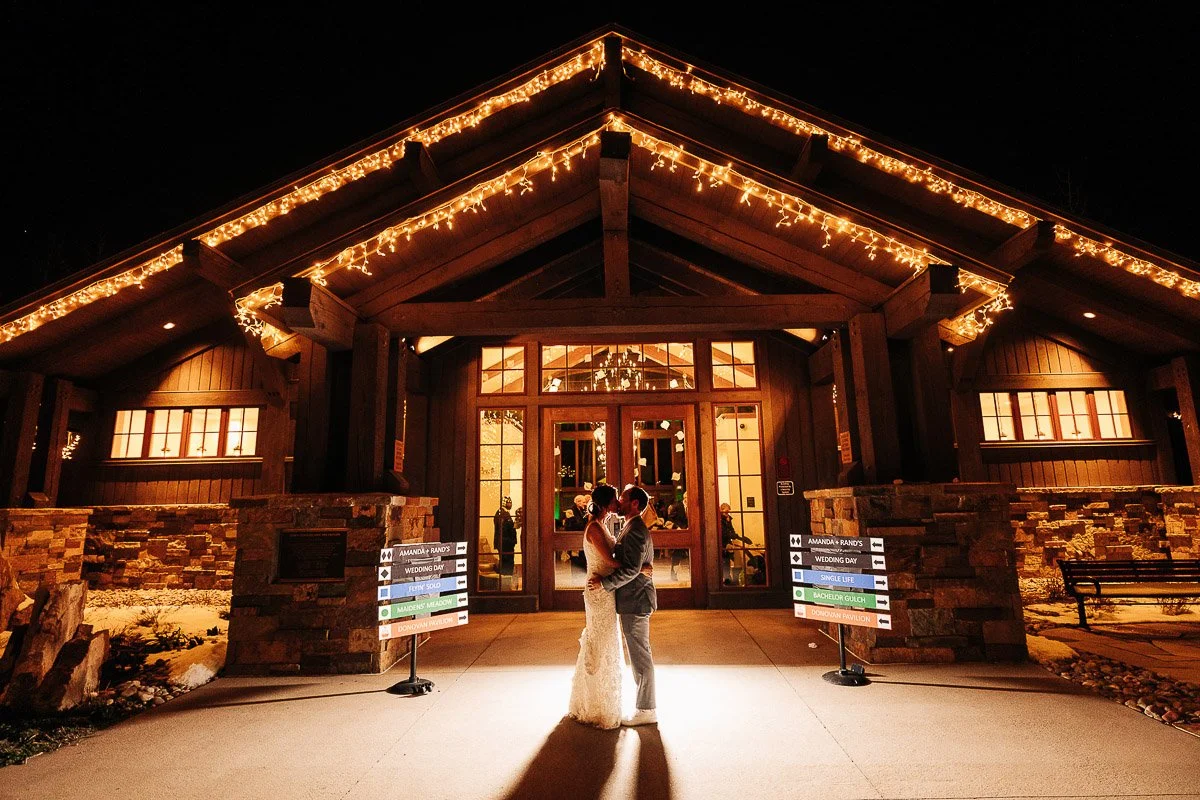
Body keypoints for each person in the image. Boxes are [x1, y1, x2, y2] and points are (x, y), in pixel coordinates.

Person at [588, 486, 658, 726]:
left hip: (636, 601)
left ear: (635, 504)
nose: (619, 501)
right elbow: (631, 562)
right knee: (640, 654)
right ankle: (645, 706)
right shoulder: (629, 526)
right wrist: (642, 567)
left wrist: (606, 584)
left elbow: (630, 567)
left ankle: (646, 709)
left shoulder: (636, 529)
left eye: (624, 498)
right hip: (632, 599)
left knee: (640, 656)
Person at [567, 484, 624, 729]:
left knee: (605, 641)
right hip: (599, 591)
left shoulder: (599, 524)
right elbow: (610, 562)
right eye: (615, 499)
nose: (618, 503)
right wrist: (639, 567)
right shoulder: (594, 528)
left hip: (604, 590)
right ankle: (598, 705)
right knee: (601, 642)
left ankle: (598, 700)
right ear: (605, 503)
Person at [720, 502, 752, 585]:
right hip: (722, 543)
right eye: (726, 512)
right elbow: (725, 533)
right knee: (725, 561)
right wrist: (737, 537)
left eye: (728, 512)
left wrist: (737, 537)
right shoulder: (720, 520)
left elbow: (731, 530)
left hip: (727, 542)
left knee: (733, 559)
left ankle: (732, 579)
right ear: (721, 510)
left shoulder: (728, 519)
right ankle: (727, 579)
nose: (727, 513)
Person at [493, 497, 517, 575]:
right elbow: (503, 529)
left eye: (510, 502)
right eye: (508, 503)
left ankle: (506, 579)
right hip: (505, 543)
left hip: (506, 543)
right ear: (504, 503)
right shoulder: (502, 513)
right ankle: (505, 581)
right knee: (507, 563)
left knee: (507, 562)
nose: (510, 504)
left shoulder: (504, 513)